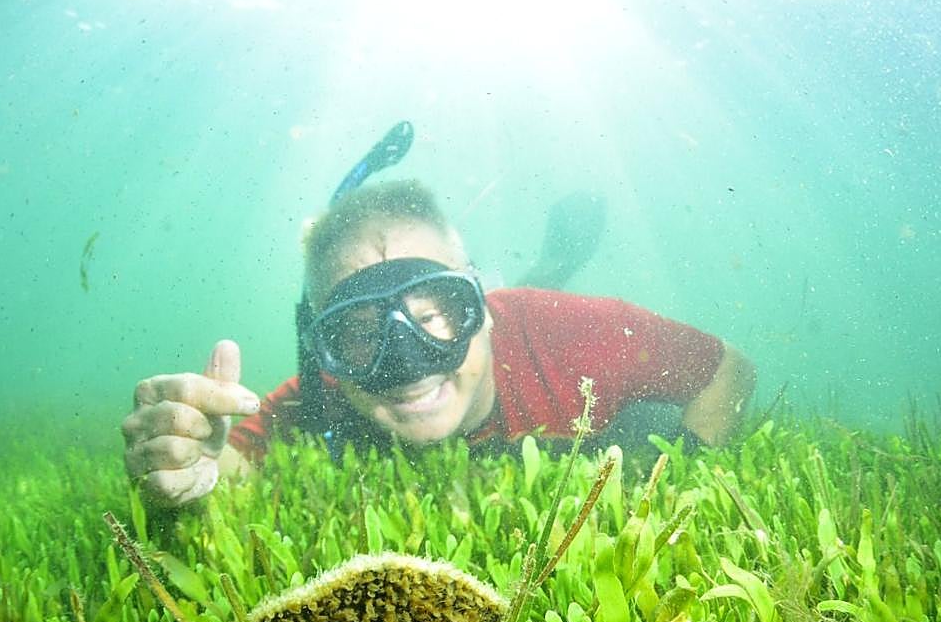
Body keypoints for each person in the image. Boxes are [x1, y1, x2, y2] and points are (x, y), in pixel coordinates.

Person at [122, 179, 756, 509]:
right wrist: (188, 471)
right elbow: (228, 463)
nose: (405, 364)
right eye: (361, 334)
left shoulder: (579, 336)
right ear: (325, 354)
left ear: (478, 306)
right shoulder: (326, 396)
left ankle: (550, 263)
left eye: (436, 312)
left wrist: (672, 485)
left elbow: (728, 369)